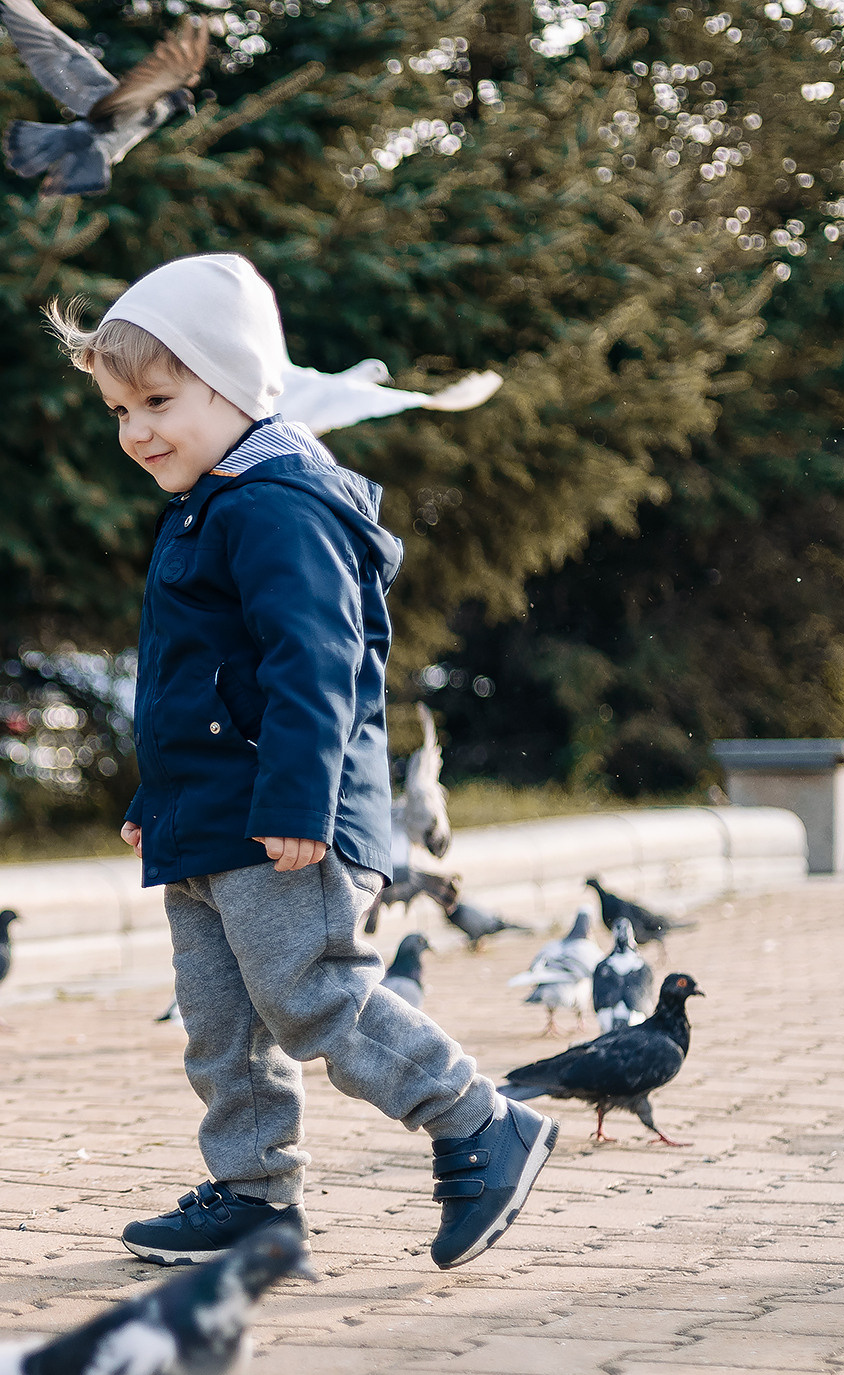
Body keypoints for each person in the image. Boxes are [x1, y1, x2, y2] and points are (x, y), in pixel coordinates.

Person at [48, 253, 554, 1270]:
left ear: (234, 385)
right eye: (117, 410)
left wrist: (296, 801)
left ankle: (477, 1118)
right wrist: (162, 798)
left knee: (311, 992)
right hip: (212, 814)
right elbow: (193, 684)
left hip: (285, 818)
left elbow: (311, 665)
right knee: (220, 1023)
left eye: (158, 399)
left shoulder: (281, 502)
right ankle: (253, 1200)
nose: (137, 430)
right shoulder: (212, 498)